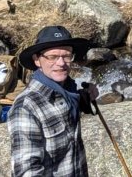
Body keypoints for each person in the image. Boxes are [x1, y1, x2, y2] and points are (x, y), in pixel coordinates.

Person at [9, 26, 96, 177]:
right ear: (37, 60)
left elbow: (65, 108)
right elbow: (27, 171)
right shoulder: (26, 107)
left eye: (67, 56)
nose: (61, 63)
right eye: (52, 57)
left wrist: (86, 97)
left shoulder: (69, 91)